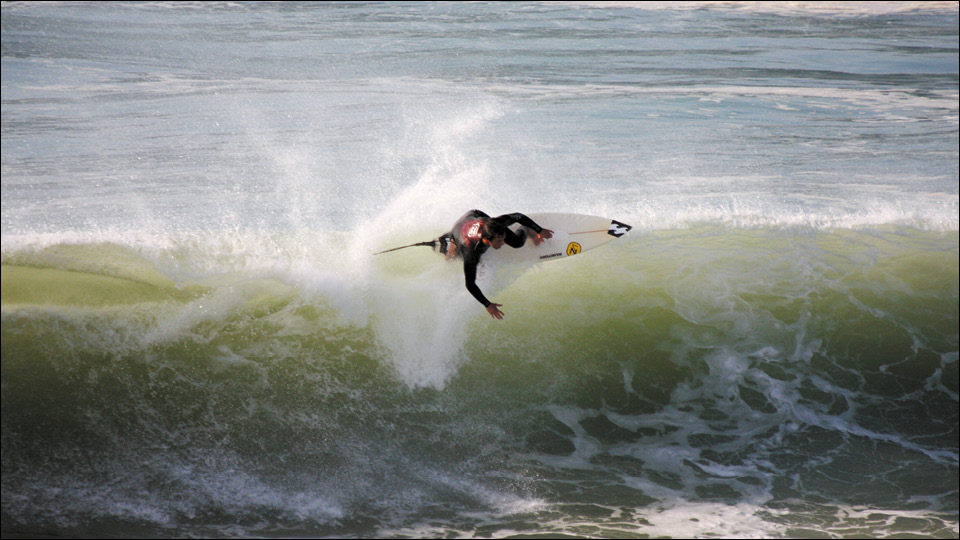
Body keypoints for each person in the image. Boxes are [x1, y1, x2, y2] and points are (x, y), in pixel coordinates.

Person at [438, 210, 554, 320]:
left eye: (503, 239)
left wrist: (539, 230)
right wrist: (487, 304)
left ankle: (528, 230)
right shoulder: (471, 250)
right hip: (459, 228)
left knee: (517, 242)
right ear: (486, 240)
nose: (503, 243)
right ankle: (449, 241)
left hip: (476, 215)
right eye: (499, 242)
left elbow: (519, 216)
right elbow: (470, 284)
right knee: (452, 259)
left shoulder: (496, 224)